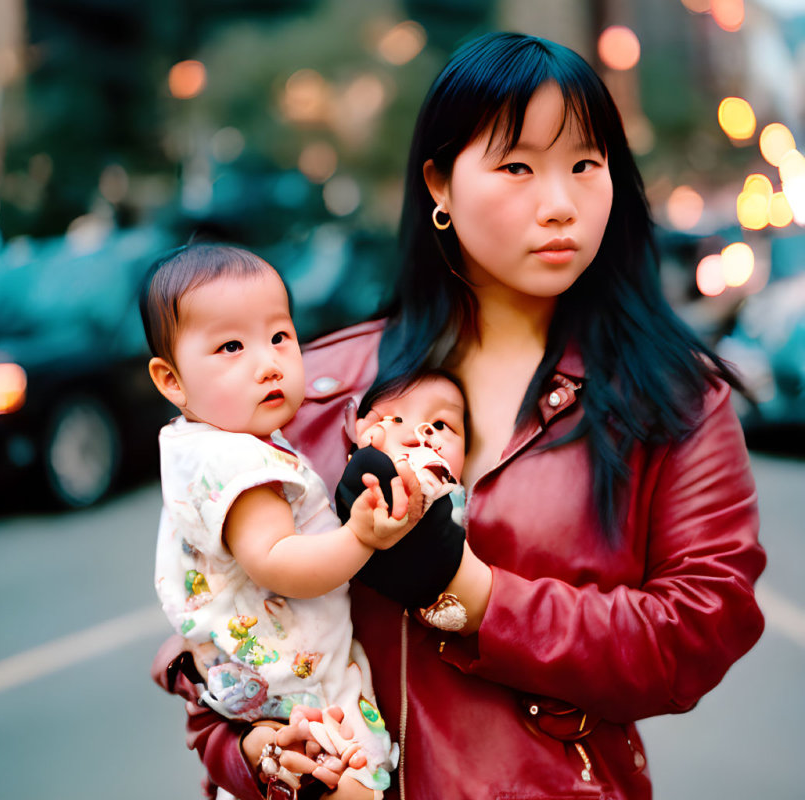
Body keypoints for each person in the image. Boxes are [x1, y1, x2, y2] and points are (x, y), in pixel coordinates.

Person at [152, 32, 766, 800]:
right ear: (439, 183)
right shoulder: (319, 388)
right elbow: (219, 626)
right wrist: (260, 757)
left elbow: (696, 633)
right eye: (517, 166)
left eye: (586, 164)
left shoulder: (674, 399)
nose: (560, 202)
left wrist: (467, 586)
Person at [142, 242, 425, 799]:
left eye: (279, 337)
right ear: (171, 380)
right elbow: (279, 563)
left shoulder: (200, 445)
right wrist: (359, 537)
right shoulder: (238, 463)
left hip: (269, 688)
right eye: (230, 346)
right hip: (299, 690)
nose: (268, 362)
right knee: (353, 781)